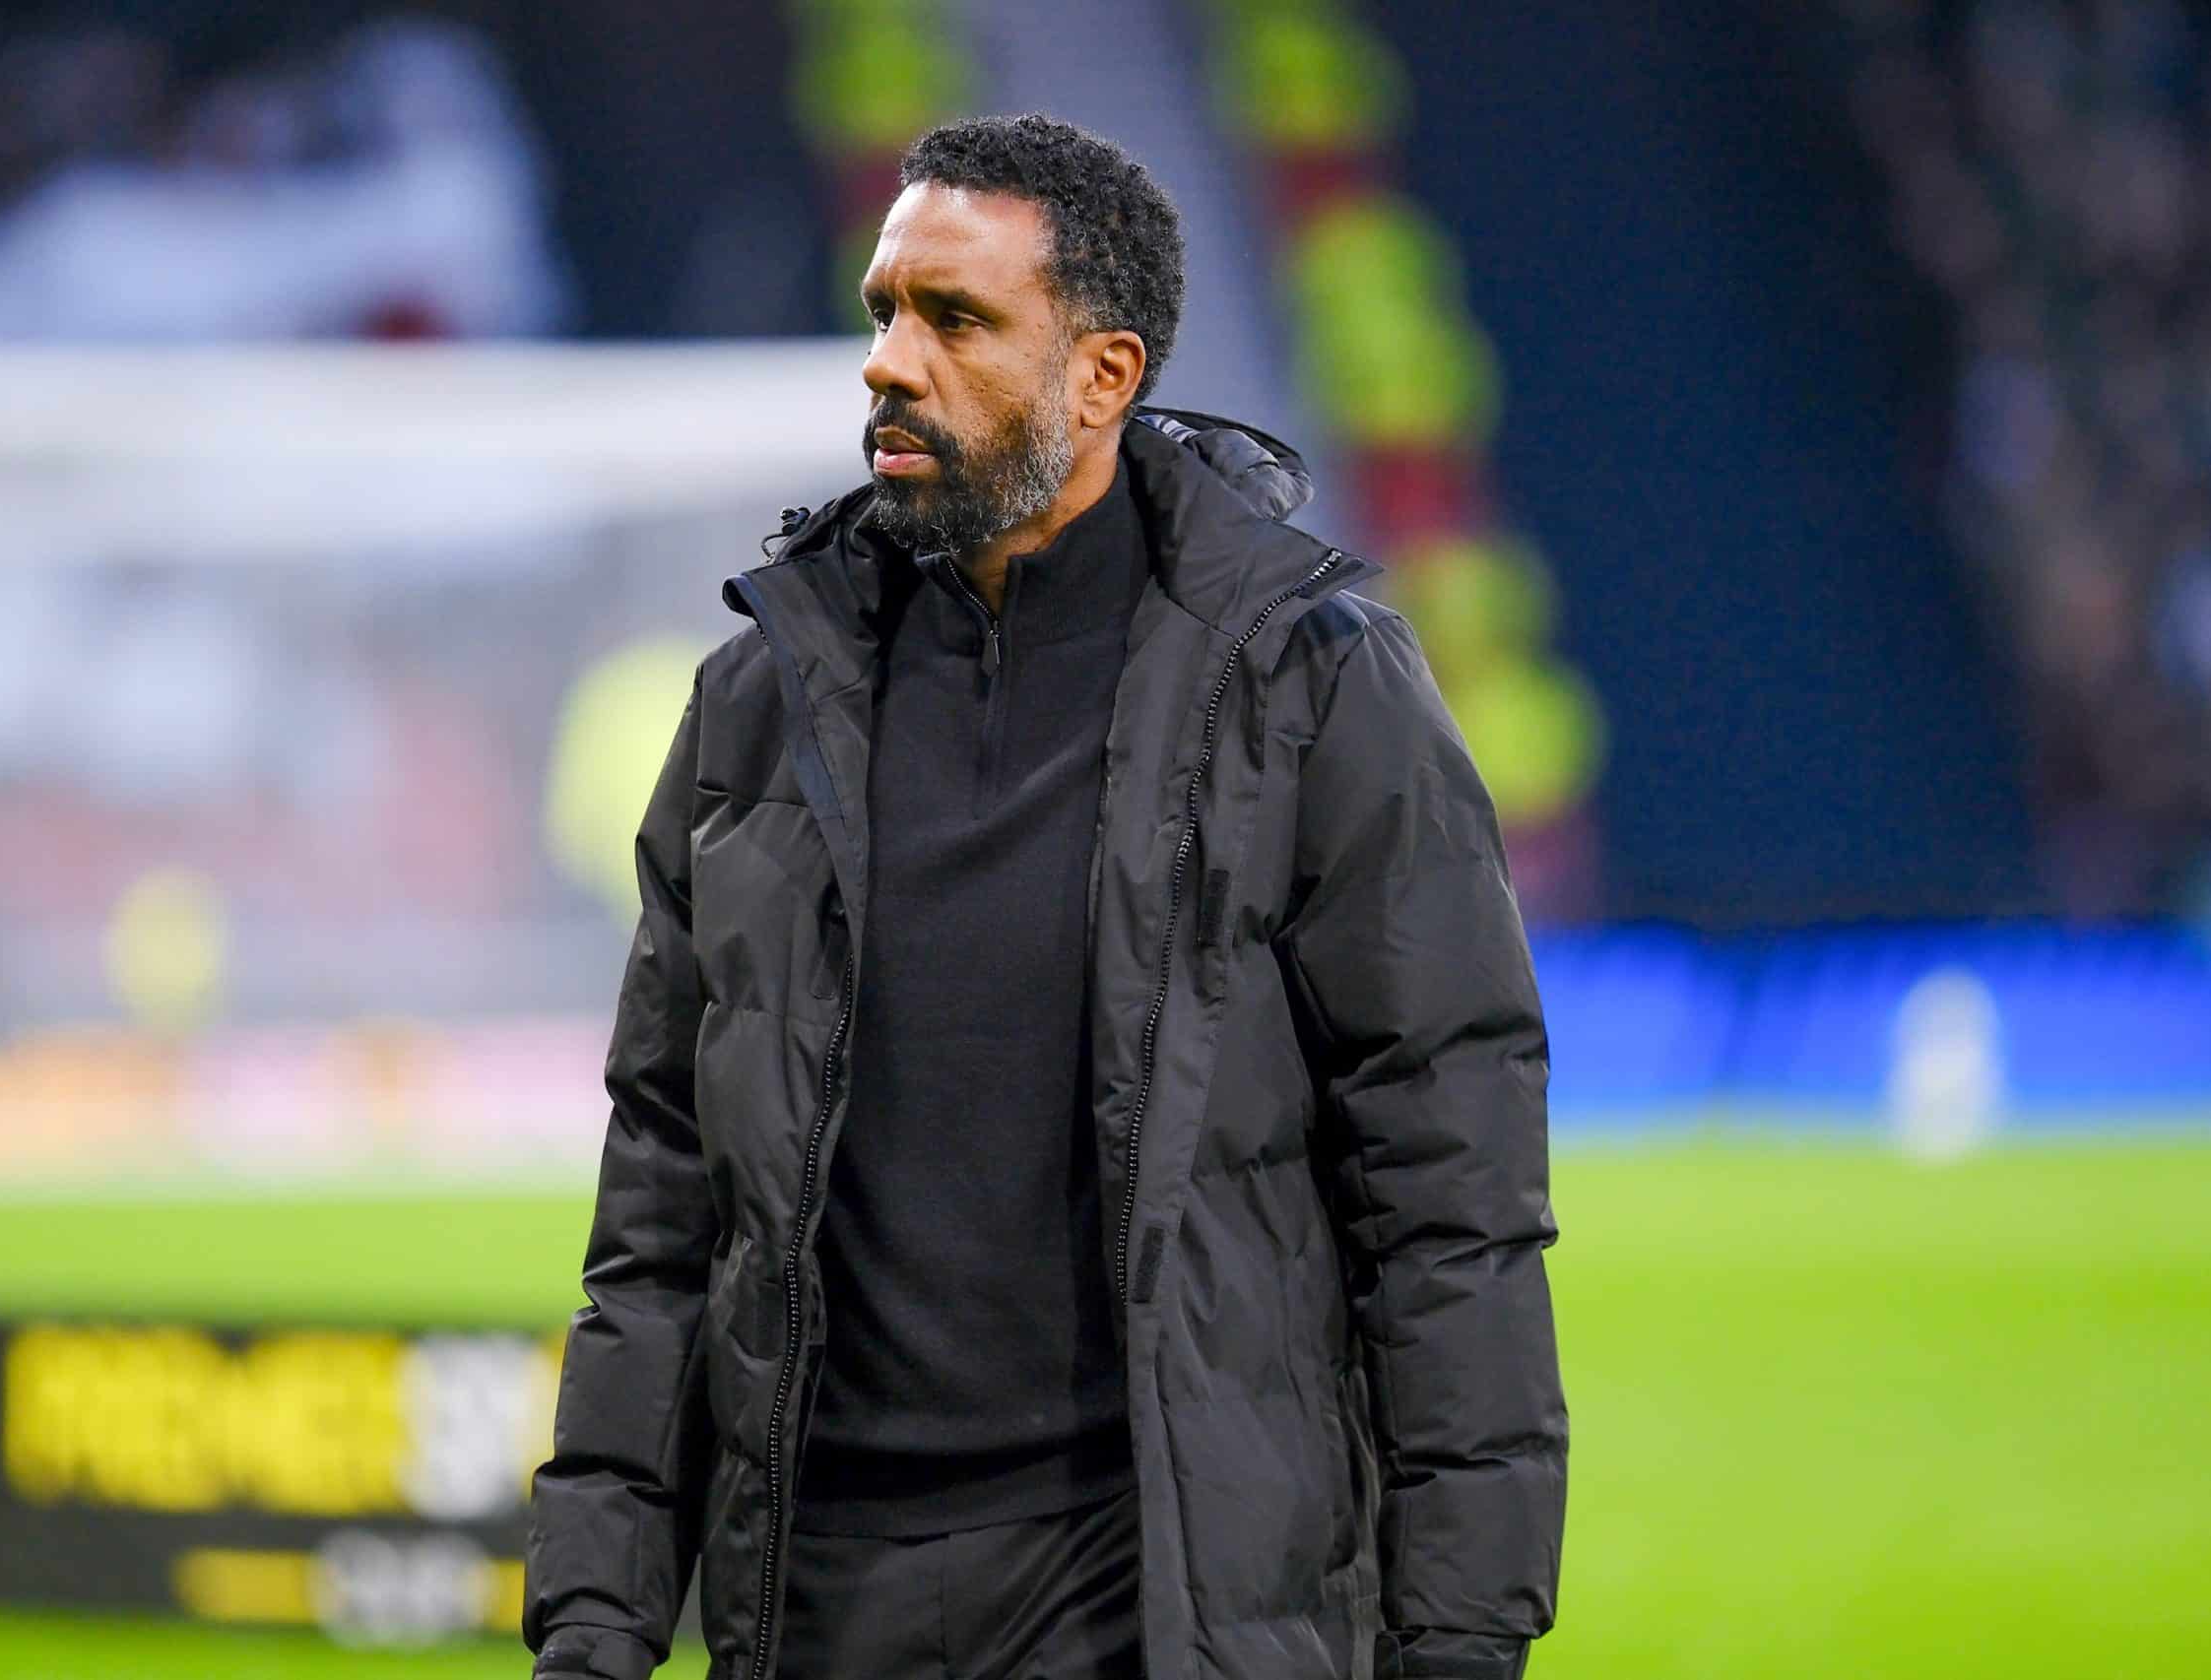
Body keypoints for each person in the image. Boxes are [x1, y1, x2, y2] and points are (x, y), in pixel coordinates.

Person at [524, 112, 1566, 1680]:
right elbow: (664, 1215)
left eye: (954, 318)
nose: (887, 358)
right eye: (884, 307)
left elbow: (1450, 1203)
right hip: (819, 1597)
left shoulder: (1307, 683)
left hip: (1148, 1589)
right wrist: (594, 1623)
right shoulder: (758, 706)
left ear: (1103, 376)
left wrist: (1462, 1639)